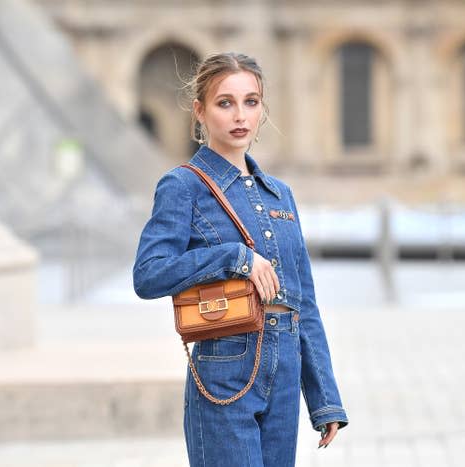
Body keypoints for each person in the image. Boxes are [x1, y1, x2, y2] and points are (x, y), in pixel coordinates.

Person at [132, 52, 348, 467]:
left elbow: (305, 302)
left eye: (251, 102)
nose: (240, 116)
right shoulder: (183, 186)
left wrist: (324, 398)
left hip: (285, 365)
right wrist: (233, 257)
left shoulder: (279, 195)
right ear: (200, 111)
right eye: (224, 102)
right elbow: (148, 273)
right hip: (226, 364)